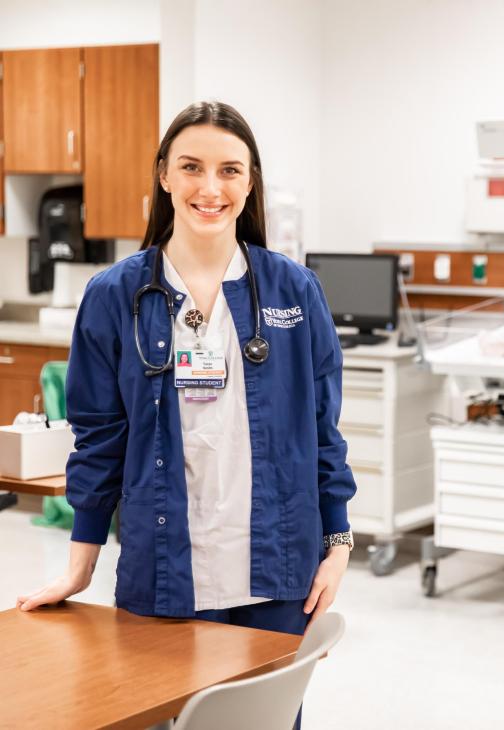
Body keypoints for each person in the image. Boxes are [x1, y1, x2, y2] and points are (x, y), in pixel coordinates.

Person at [17, 101, 356, 729]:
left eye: (230, 170)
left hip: (279, 571)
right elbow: (98, 436)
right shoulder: (115, 295)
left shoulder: (293, 291)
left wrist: (337, 540)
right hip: (163, 569)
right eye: (192, 167)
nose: (210, 187)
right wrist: (80, 562)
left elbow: (321, 429)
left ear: (250, 182)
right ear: (164, 176)